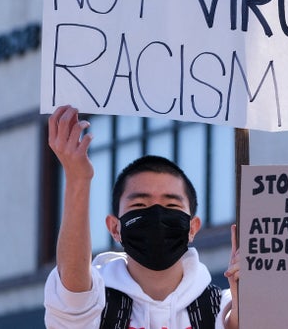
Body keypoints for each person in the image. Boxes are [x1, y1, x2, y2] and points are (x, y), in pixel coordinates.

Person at [44, 105, 240, 329]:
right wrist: (77, 177)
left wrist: (254, 296)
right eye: (139, 204)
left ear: (193, 227)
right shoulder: (97, 308)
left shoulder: (222, 309)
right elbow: (73, 294)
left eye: (171, 204)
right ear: (115, 228)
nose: (156, 213)